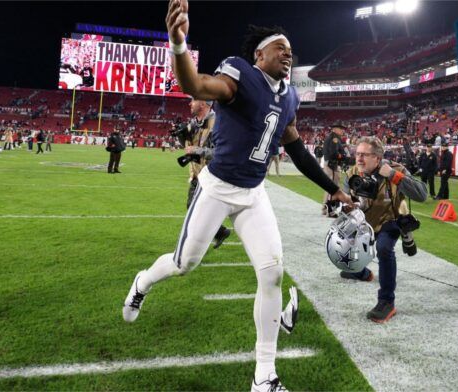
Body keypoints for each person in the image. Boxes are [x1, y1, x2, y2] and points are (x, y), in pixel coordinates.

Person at [123, 5, 352, 391]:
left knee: (272, 272)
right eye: (280, 47)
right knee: (184, 263)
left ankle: (264, 376)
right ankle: (142, 283)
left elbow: (296, 150)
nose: (288, 53)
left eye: (290, 49)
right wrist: (178, 44)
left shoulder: (290, 97)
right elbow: (197, 85)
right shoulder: (240, 75)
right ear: (258, 55)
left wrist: (333, 189)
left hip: (253, 193)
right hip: (217, 188)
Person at [339, 136, 427, 322]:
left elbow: (422, 194)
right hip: (364, 220)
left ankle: (387, 302)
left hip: (390, 218)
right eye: (357, 154)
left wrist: (394, 176)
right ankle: (361, 272)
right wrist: (345, 206)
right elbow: (345, 201)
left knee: (384, 248)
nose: (359, 158)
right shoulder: (352, 173)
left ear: (377, 158)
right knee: (342, 239)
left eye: (364, 155)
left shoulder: (395, 170)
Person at [184, 97, 231, 248]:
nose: (190, 103)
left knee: (196, 210)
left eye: (193, 100)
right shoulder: (195, 124)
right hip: (198, 174)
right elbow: (192, 147)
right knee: (193, 208)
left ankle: (193, 245)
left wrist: (197, 150)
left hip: (213, 175)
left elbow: (223, 152)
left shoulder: (218, 123)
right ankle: (219, 232)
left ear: (203, 104)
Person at [321, 124, 348, 216]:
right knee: (332, 187)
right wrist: (343, 156)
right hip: (332, 165)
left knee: (330, 187)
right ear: (335, 129)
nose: (342, 130)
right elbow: (334, 153)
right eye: (341, 128)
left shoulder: (333, 137)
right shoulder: (334, 138)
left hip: (330, 164)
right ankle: (330, 210)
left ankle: (325, 208)